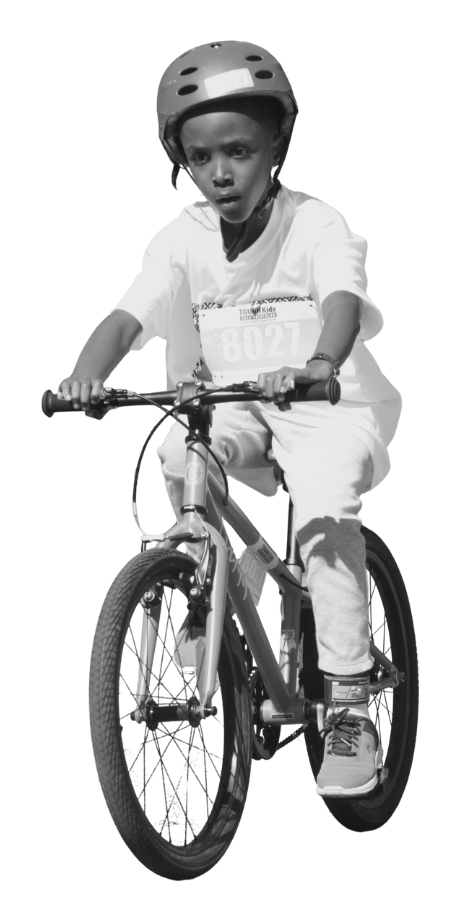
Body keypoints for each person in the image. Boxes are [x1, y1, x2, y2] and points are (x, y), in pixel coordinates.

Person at [57, 41, 403, 798]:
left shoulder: (317, 223)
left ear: (276, 145)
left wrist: (319, 360)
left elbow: (342, 300)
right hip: (236, 404)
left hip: (327, 401)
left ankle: (350, 705)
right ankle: (201, 589)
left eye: (239, 152)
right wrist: (86, 375)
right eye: (202, 156)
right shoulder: (180, 238)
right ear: (181, 161)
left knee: (323, 516)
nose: (220, 172)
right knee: (181, 456)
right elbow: (126, 317)